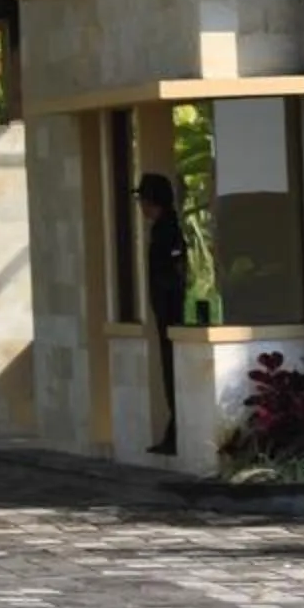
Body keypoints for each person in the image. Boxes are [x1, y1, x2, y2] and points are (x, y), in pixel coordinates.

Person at [136, 171, 190, 456]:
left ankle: (177, 433)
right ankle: (174, 431)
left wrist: (169, 303)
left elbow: (174, 272)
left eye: (144, 200)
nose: (141, 207)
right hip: (166, 311)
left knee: (172, 371)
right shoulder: (162, 229)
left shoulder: (167, 230)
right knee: (169, 371)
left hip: (171, 311)